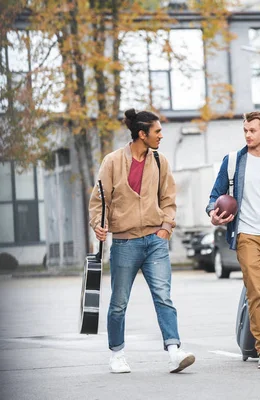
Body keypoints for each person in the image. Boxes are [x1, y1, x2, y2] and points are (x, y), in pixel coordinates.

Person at [89, 108, 195, 374]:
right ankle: (117, 353)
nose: (161, 136)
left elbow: (169, 200)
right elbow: (99, 200)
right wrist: (98, 225)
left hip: (155, 241)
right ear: (142, 134)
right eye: (157, 131)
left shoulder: (160, 162)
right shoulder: (112, 162)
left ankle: (174, 351)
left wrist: (166, 228)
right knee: (119, 301)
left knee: (163, 297)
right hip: (124, 243)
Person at [206, 111, 260, 369]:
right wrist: (213, 213)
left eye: (252, 130)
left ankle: (257, 331)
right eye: (245, 130)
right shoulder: (233, 161)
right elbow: (214, 196)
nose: (247, 135)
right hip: (247, 235)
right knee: (255, 291)